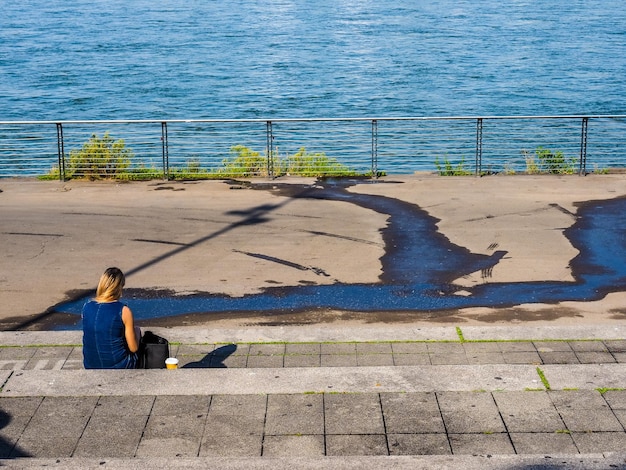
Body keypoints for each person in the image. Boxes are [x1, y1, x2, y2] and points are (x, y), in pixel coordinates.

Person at [82, 267, 141, 369]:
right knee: (137, 332)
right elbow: (133, 348)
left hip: (90, 365)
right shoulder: (123, 311)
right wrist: (137, 333)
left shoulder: (86, 307)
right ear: (119, 288)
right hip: (119, 366)